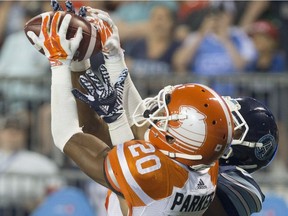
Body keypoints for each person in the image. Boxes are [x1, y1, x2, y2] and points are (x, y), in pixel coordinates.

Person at [26, 6, 234, 216]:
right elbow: (140, 119)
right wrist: (113, 57)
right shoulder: (207, 165)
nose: (157, 114)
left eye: (165, 117)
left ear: (178, 139)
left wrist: (59, 63)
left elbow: (67, 135)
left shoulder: (149, 175)